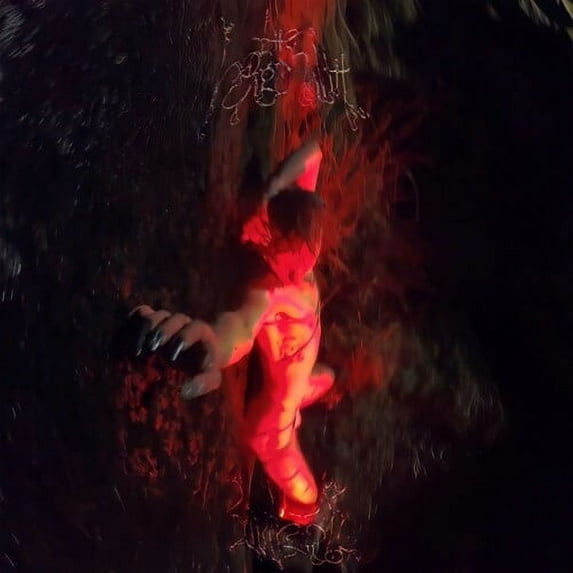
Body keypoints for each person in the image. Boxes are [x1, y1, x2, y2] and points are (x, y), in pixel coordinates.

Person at [132, 141, 334, 525]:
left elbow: (315, 153)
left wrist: (274, 187)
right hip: (281, 400)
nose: (307, 255)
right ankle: (305, 509)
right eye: (298, 248)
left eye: (309, 247)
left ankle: (305, 512)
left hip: (297, 371)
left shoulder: (299, 233)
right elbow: (241, 326)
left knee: (308, 393)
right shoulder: (271, 288)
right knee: (276, 444)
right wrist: (214, 345)